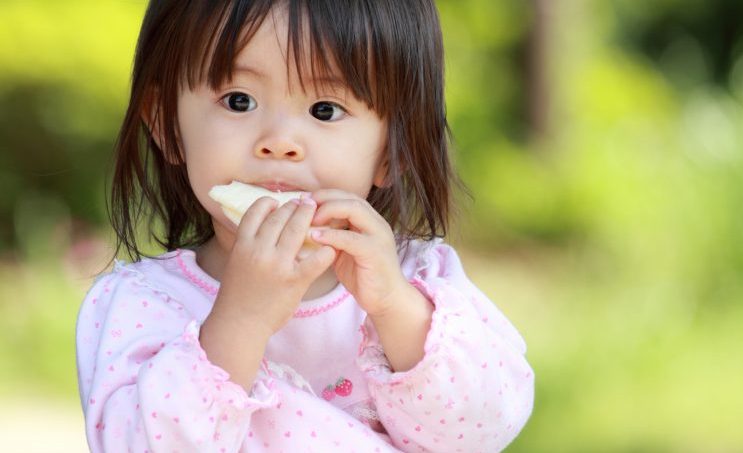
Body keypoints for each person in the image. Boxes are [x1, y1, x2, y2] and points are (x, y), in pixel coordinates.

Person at [75, 0, 534, 451]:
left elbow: (484, 429)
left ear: (395, 148)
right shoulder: (145, 304)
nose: (280, 142)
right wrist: (241, 319)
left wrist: (394, 307)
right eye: (239, 101)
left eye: (325, 110)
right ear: (166, 124)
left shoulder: (420, 282)